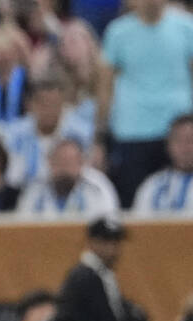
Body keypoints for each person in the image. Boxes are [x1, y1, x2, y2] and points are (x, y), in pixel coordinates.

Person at [98, 0, 193, 207]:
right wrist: (101, 133)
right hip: (132, 130)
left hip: (178, 129)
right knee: (133, 201)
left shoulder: (186, 27)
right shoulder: (118, 32)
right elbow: (105, 85)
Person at [56, 217, 148, 321]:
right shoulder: (83, 277)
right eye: (107, 241)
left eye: (116, 242)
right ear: (92, 242)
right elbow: (71, 319)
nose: (113, 248)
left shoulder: (102, 274)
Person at [16, 137, 118, 219]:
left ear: (81, 163)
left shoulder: (98, 188)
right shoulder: (35, 189)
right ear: (49, 163)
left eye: (69, 162)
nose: (64, 168)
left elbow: (109, 223)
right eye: (59, 162)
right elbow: (22, 224)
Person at [133, 115, 193, 217]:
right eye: (178, 141)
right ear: (168, 145)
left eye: (190, 140)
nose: (185, 148)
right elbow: (139, 225)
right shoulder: (152, 185)